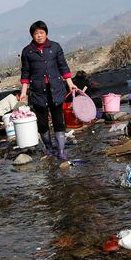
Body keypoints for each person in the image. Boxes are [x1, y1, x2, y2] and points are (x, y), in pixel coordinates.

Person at [19, 20, 77, 159]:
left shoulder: (55, 47)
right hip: (38, 92)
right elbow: (25, 73)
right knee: (43, 123)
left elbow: (63, 66)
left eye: (42, 33)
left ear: (46, 33)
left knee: (58, 121)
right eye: (36, 33)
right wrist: (23, 92)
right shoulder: (27, 52)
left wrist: (70, 83)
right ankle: (49, 147)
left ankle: (61, 150)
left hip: (56, 89)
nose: (39, 36)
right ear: (32, 35)